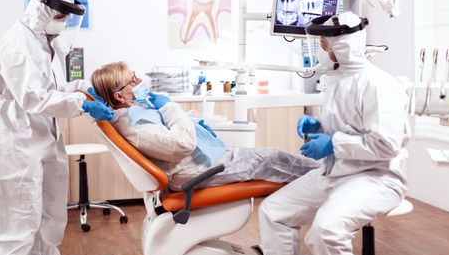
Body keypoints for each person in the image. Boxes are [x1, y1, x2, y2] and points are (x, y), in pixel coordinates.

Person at [259, 11, 410, 255]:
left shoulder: (378, 84)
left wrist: (332, 144)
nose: (320, 50)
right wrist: (321, 126)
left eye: (323, 44)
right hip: (335, 172)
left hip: (376, 178)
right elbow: (349, 125)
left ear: (341, 46)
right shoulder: (338, 79)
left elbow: (386, 144)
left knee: (325, 232)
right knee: (273, 212)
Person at [0, 0, 113, 255]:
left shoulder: (46, 43)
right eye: (60, 15)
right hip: (13, 137)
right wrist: (82, 104)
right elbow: (32, 98)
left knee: (47, 216)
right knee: (18, 220)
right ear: (42, 8)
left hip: (41, 135)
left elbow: (51, 88)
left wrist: (82, 89)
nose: (64, 21)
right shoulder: (19, 43)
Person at [90, 62, 320, 190]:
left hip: (199, 165)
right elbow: (182, 144)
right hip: (195, 173)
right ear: (120, 96)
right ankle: (326, 178)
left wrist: (192, 121)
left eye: (136, 76)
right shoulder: (137, 128)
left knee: (267, 157)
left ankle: (322, 176)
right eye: (132, 81)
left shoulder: (134, 113)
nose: (139, 81)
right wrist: (169, 106)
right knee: (270, 158)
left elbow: (167, 132)